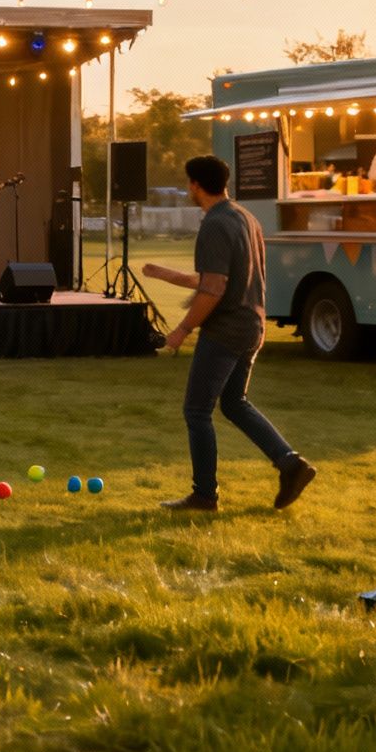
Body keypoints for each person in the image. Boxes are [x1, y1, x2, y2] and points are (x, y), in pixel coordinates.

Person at [142, 155, 316, 512]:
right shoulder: (245, 218)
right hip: (252, 323)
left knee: (196, 411)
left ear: (195, 185)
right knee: (234, 404)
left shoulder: (215, 224)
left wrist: (183, 329)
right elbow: (221, 279)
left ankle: (204, 494)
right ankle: (291, 464)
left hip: (226, 329)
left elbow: (215, 288)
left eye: (189, 183)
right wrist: (165, 275)